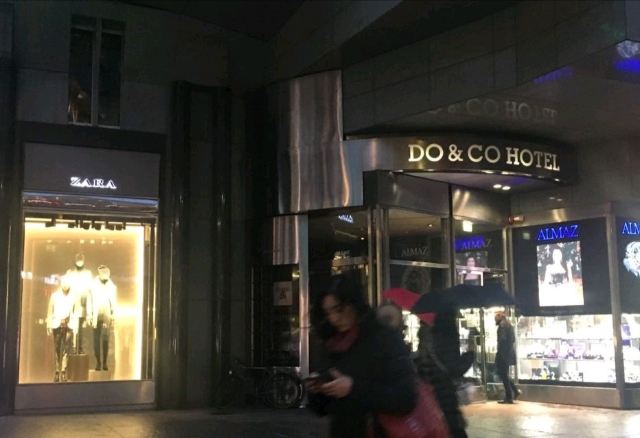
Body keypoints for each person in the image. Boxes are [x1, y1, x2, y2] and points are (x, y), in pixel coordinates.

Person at [306, 274, 417, 437]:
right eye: (328, 313)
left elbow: (405, 398)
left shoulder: (383, 338)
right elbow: (324, 409)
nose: (334, 318)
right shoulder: (332, 342)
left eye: (339, 309)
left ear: (353, 303)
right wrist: (319, 391)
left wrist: (353, 388)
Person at [416, 320, 468, 438]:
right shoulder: (440, 335)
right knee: (453, 426)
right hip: (443, 393)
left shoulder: (423, 346)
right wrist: (469, 357)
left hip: (432, 397)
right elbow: (454, 368)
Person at [46, 276, 78, 382]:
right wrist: (49, 325)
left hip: (69, 325)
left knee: (66, 349)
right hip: (57, 324)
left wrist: (76, 327)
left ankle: (63, 371)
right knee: (57, 349)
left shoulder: (73, 297)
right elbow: (50, 311)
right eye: (64, 283)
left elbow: (76, 313)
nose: (66, 285)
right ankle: (56, 371)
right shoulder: (54, 296)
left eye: (67, 284)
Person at [494, 311, 520, 404]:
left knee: (503, 374)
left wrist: (500, 353)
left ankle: (509, 396)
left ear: (500, 317)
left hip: (503, 354)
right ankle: (514, 391)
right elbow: (512, 340)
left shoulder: (502, 325)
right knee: (504, 374)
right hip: (508, 353)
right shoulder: (509, 324)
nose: (495, 319)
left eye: (496, 317)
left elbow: (502, 340)